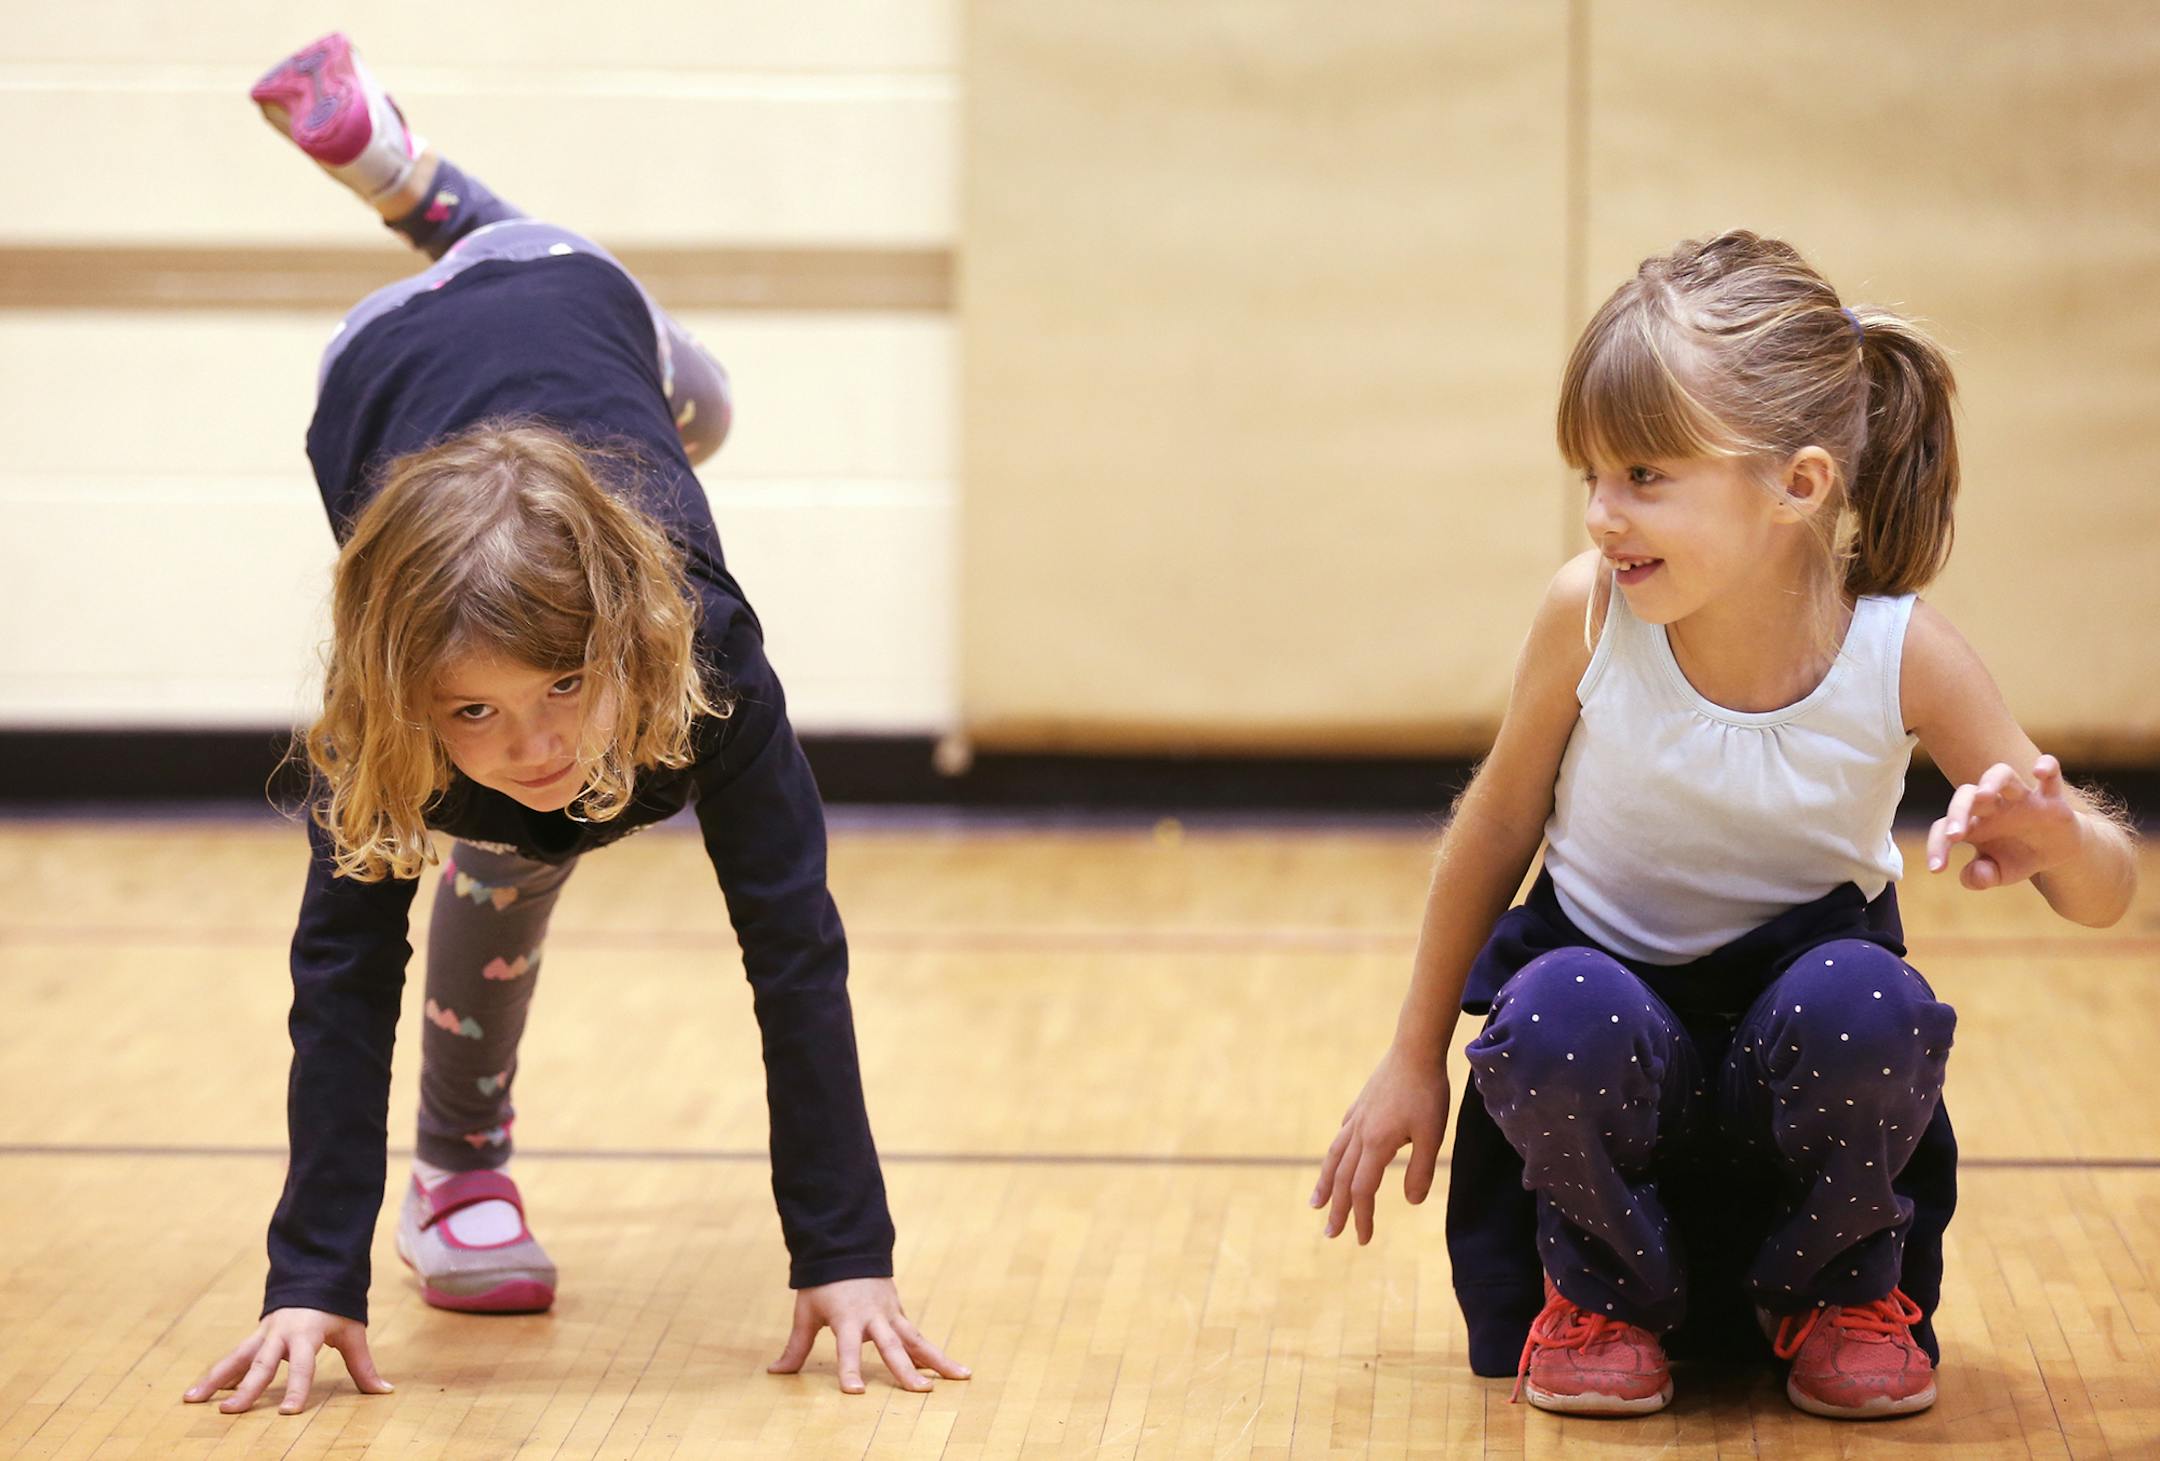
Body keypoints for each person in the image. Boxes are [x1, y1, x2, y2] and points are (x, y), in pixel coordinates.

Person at [182, 33, 969, 1416]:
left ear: (636, 646)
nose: (532, 742)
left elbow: (795, 944)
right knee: (508, 840)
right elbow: (342, 980)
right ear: (401, 695)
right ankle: (460, 1170)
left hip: (581, 294)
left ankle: (434, 197)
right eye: (471, 711)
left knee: (707, 407)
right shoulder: (386, 730)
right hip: (374, 377)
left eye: (562, 692)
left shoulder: (706, 660)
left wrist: (845, 1252)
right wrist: (313, 1274)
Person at [1308, 231, 2138, 1419]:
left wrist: (2062, 840)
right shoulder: (1586, 619)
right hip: (1604, 1063)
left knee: (1871, 1001)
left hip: (1796, 1084)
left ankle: (1835, 1293)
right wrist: (1410, 1058)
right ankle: (1599, 1299)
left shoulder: (1903, 655)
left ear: (1797, 486)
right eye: (1591, 474)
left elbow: (2106, 890)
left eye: (1645, 476)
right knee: (1556, 1011)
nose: (1602, 513)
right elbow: (1491, 831)